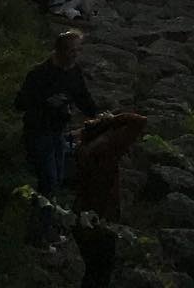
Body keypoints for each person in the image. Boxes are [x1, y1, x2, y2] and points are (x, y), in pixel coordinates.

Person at [15, 29, 96, 243]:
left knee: (56, 179)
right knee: (49, 180)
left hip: (58, 133)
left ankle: (44, 227)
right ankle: (39, 234)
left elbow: (83, 98)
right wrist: (46, 101)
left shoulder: (74, 72)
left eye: (78, 50)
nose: (75, 55)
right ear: (59, 51)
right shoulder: (39, 74)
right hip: (38, 132)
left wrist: (101, 117)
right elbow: (20, 103)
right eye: (71, 51)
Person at [73, 110, 147, 288]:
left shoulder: (84, 148)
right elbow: (139, 121)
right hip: (102, 216)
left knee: (92, 270)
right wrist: (112, 120)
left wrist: (101, 123)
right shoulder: (108, 147)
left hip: (82, 214)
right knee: (102, 271)